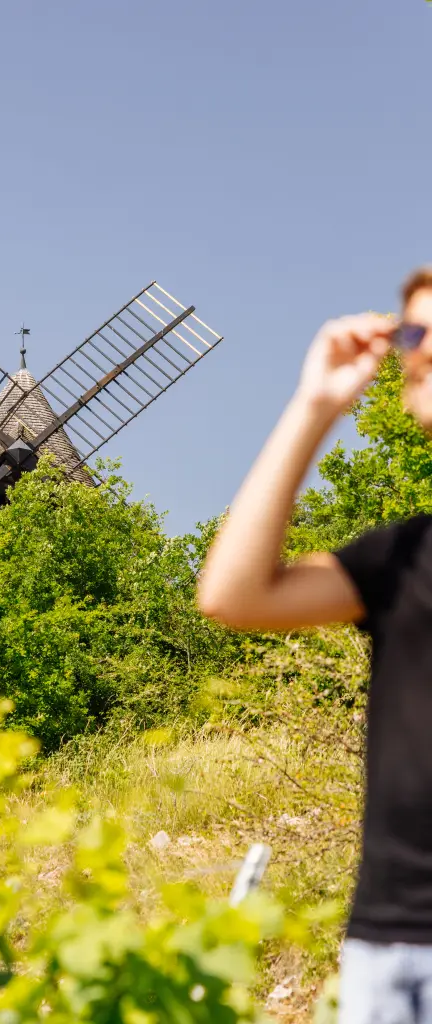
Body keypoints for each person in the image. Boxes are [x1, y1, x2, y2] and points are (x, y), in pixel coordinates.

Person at [197, 268, 432, 1024]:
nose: (412, 354)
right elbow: (234, 595)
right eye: (408, 333)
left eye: (428, 334)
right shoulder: (405, 557)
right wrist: (315, 404)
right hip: (397, 944)